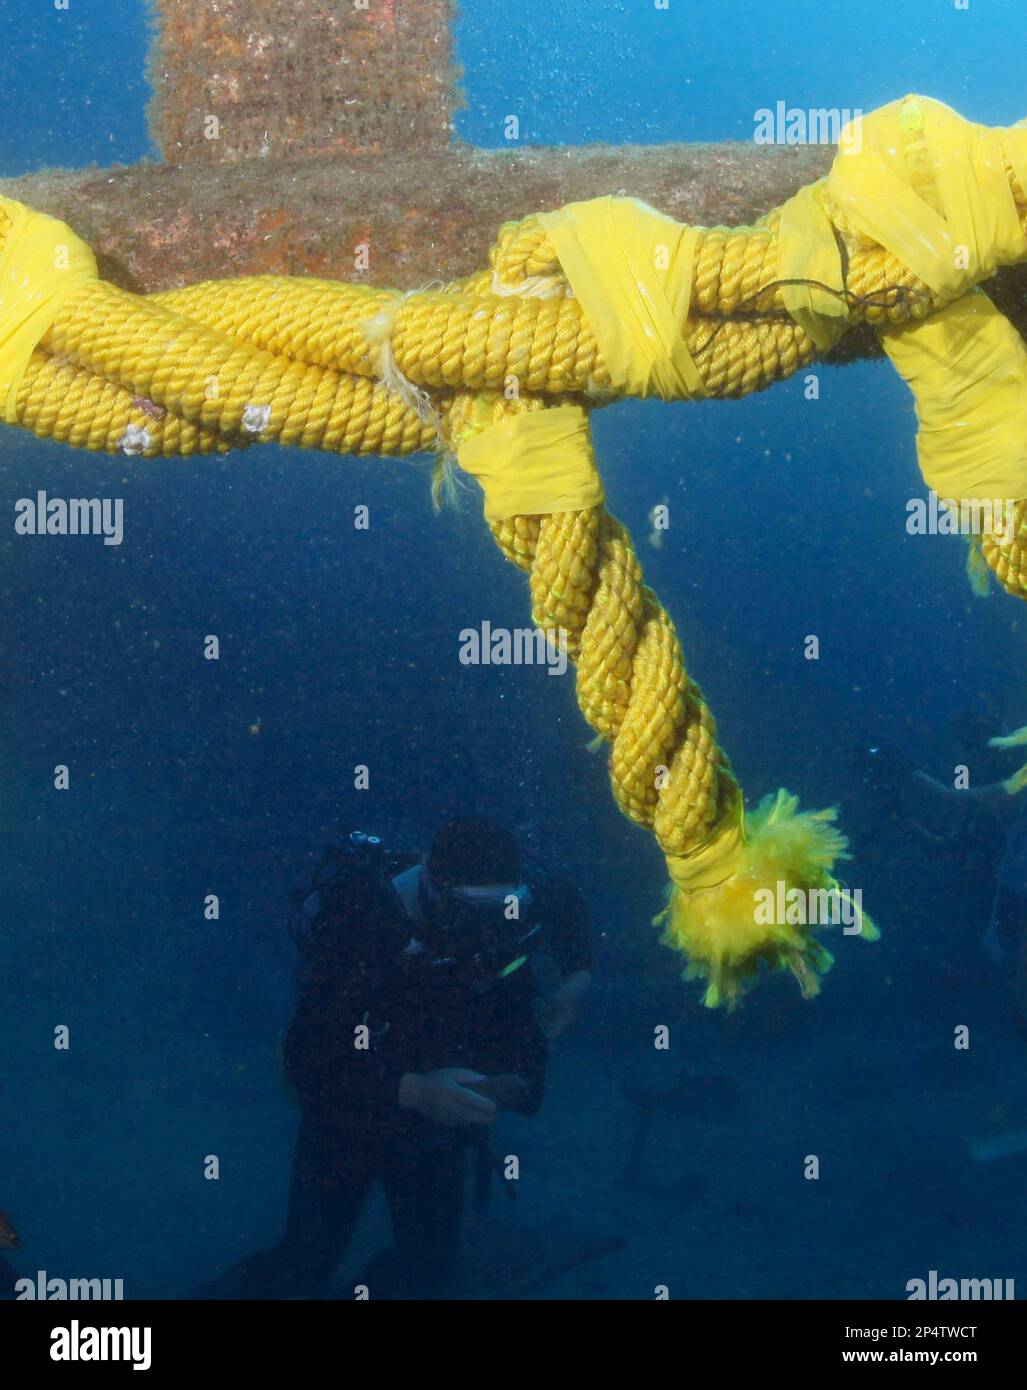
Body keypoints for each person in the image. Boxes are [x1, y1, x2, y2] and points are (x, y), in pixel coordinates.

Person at [200, 816, 591, 1300]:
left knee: (428, 1272)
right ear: (432, 886)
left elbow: (567, 908)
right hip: (349, 1112)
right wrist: (413, 1089)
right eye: (471, 909)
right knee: (305, 1262)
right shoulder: (363, 919)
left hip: (435, 1122)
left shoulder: (522, 905)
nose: (490, 926)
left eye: (505, 907)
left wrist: (575, 981)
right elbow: (307, 1059)